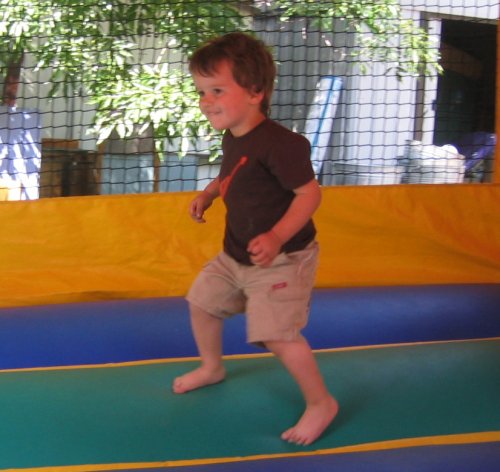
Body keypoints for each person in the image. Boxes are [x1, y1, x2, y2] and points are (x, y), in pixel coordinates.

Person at [172, 32, 338, 446]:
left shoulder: (284, 144)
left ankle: (321, 403)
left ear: (255, 91)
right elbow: (234, 173)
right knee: (201, 302)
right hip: (237, 253)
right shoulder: (233, 135)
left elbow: (310, 194)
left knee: (275, 335)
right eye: (201, 92)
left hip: (281, 258)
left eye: (217, 90)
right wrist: (210, 193)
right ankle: (212, 367)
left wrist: (278, 236)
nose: (206, 100)